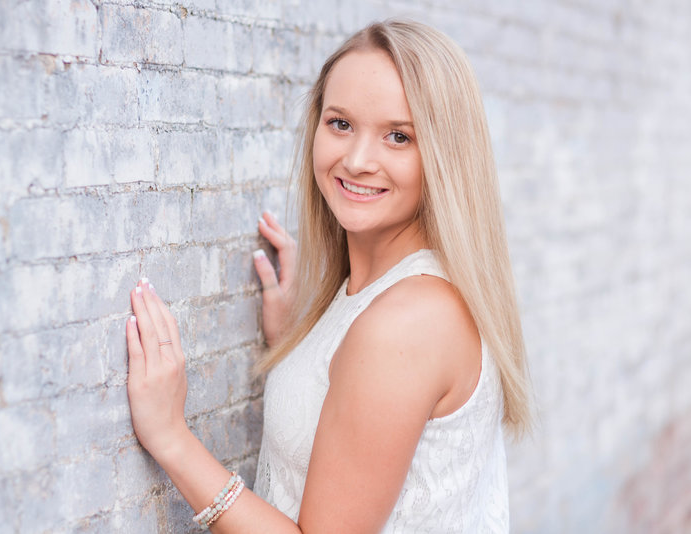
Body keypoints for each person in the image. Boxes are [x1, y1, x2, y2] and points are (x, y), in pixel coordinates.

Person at [125, 19, 530, 533]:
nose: (358, 160)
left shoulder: (406, 324)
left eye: (398, 136)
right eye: (340, 124)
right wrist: (303, 341)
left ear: (445, 157)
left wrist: (171, 438)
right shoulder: (386, 299)